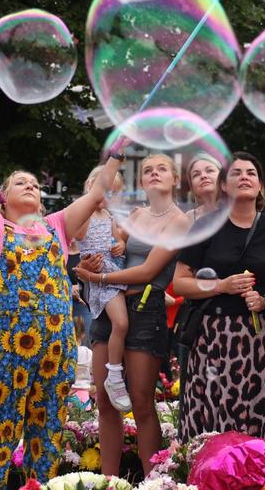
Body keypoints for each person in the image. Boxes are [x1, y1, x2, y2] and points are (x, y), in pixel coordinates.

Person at [0, 99, 121, 484]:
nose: (31, 186)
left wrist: (117, 152)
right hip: (2, 346)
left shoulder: (55, 225)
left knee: (48, 437)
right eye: (20, 183)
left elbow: (96, 195)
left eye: (36, 184)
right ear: (2, 197)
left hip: (55, 348)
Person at [74, 155, 189, 477]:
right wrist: (94, 264)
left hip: (144, 309)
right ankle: (109, 481)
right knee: (105, 401)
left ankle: (152, 481)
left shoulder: (179, 220)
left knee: (140, 401)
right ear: (141, 182)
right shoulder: (134, 215)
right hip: (109, 308)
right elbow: (110, 253)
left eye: (161, 169)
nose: (154, 174)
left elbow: (150, 269)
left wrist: (96, 279)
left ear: (175, 179)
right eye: (148, 170)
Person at [175, 152, 265, 453]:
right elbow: (180, 283)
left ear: (260, 187)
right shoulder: (206, 226)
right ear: (224, 187)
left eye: (251, 172)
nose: (244, 176)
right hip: (215, 338)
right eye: (236, 173)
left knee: (264, 416)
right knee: (214, 416)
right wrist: (221, 286)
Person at [71, 165, 132, 411]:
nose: (106, 197)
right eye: (102, 191)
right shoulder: (84, 216)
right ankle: (114, 374)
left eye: (112, 193)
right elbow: (78, 237)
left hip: (114, 273)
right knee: (121, 323)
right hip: (100, 277)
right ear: (90, 190)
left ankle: (115, 372)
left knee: (122, 324)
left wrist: (121, 245)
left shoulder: (111, 217)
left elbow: (119, 241)